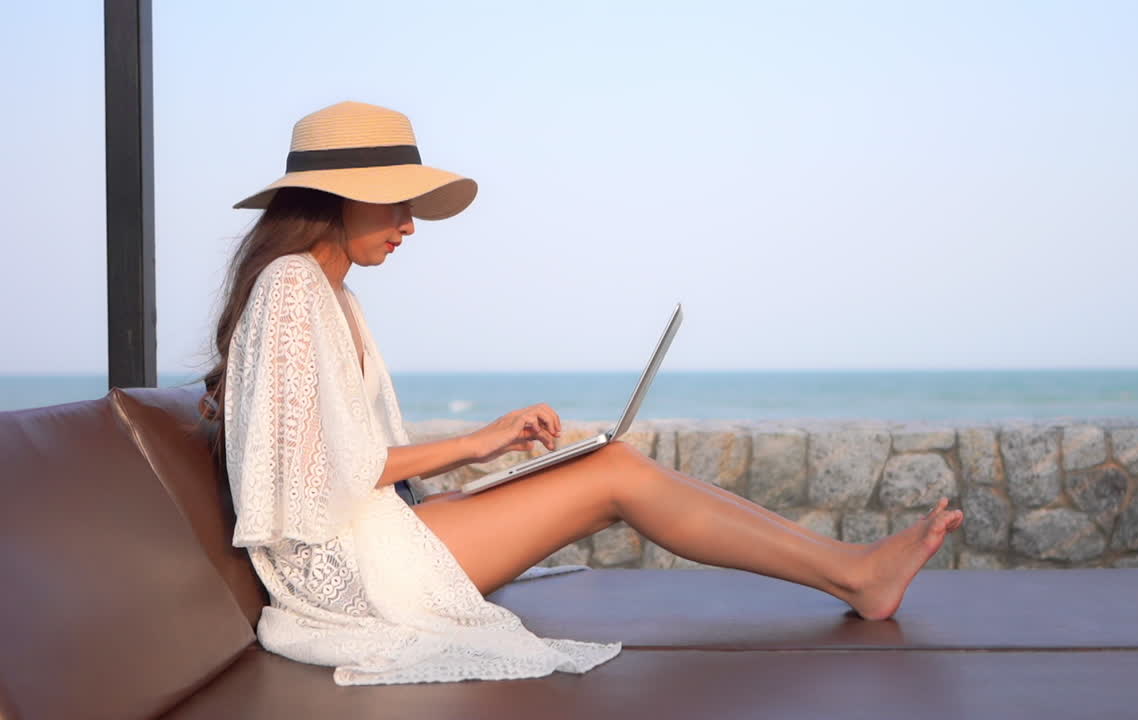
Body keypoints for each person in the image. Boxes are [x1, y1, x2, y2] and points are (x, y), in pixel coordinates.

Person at [199, 100, 964, 686]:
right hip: (349, 576)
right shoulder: (294, 285)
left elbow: (327, 456)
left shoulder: (329, 294)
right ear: (335, 197)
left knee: (611, 461)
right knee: (615, 474)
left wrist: (482, 461)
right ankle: (855, 571)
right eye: (394, 202)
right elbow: (318, 479)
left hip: (380, 537)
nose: (409, 224)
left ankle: (850, 564)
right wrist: (478, 442)